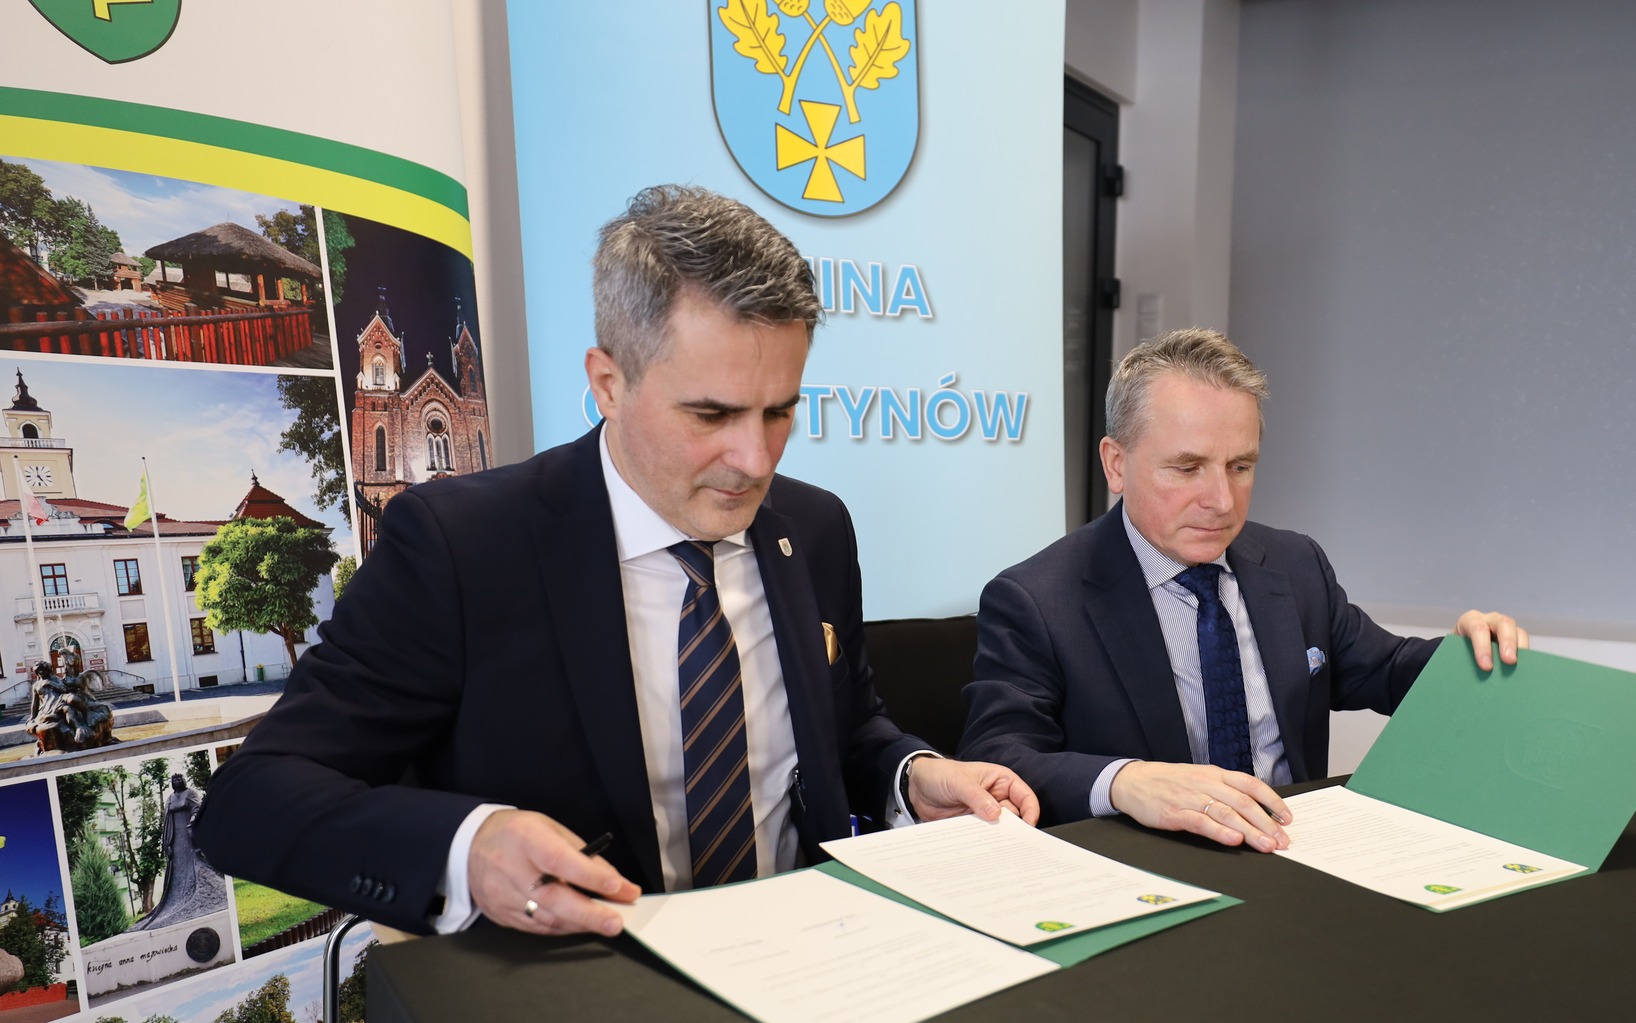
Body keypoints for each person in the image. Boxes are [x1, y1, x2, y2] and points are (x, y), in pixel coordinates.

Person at [194, 185, 1037, 938]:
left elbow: (843, 728)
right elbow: (251, 800)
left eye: (780, 411)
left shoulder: (813, 528)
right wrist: (469, 846)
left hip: (808, 962)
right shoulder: (462, 546)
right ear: (607, 382)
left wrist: (911, 775)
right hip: (584, 996)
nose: (754, 460)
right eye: (710, 414)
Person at [958, 328, 1522, 852]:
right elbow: (996, 758)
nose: (1222, 501)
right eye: (1187, 468)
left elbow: (1388, 670)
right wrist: (1125, 781)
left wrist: (1465, 660)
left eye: (1240, 466)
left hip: (1297, 856)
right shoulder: (1037, 599)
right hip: (1148, 869)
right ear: (1116, 464)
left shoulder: (1295, 564)